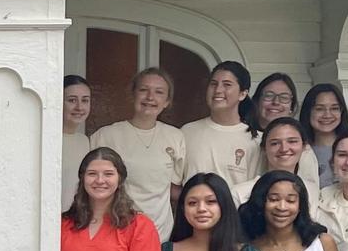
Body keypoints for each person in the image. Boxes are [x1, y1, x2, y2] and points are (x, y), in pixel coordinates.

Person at [89, 68, 186, 238]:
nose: (150, 97)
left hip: (160, 235)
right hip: (116, 232)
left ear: (167, 101)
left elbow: (173, 188)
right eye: (143, 90)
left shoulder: (175, 137)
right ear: (133, 94)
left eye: (159, 92)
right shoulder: (106, 136)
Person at [182, 61, 259, 195]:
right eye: (213, 84)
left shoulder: (256, 140)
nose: (218, 90)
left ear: (242, 94)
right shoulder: (187, 132)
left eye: (227, 85)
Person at [297, 83, 348, 194]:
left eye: (334, 108)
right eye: (319, 109)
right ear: (308, 112)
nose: (327, 115)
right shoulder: (296, 150)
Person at [59, 76, 95, 181]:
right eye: (72, 100)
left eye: (85, 100)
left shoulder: (84, 141)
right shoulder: (47, 139)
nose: (79, 107)